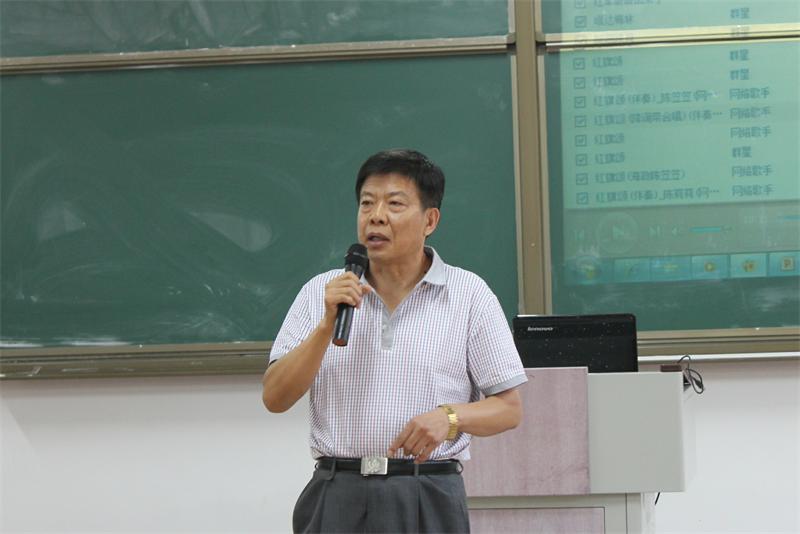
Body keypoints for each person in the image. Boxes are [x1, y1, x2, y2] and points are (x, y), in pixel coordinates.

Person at [262, 149, 527, 533]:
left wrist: (450, 418)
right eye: (367, 203)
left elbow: (508, 409)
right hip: (337, 491)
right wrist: (325, 326)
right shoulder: (321, 292)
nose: (376, 216)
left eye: (395, 204)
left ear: (430, 220)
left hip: (427, 491)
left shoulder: (469, 294)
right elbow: (275, 397)